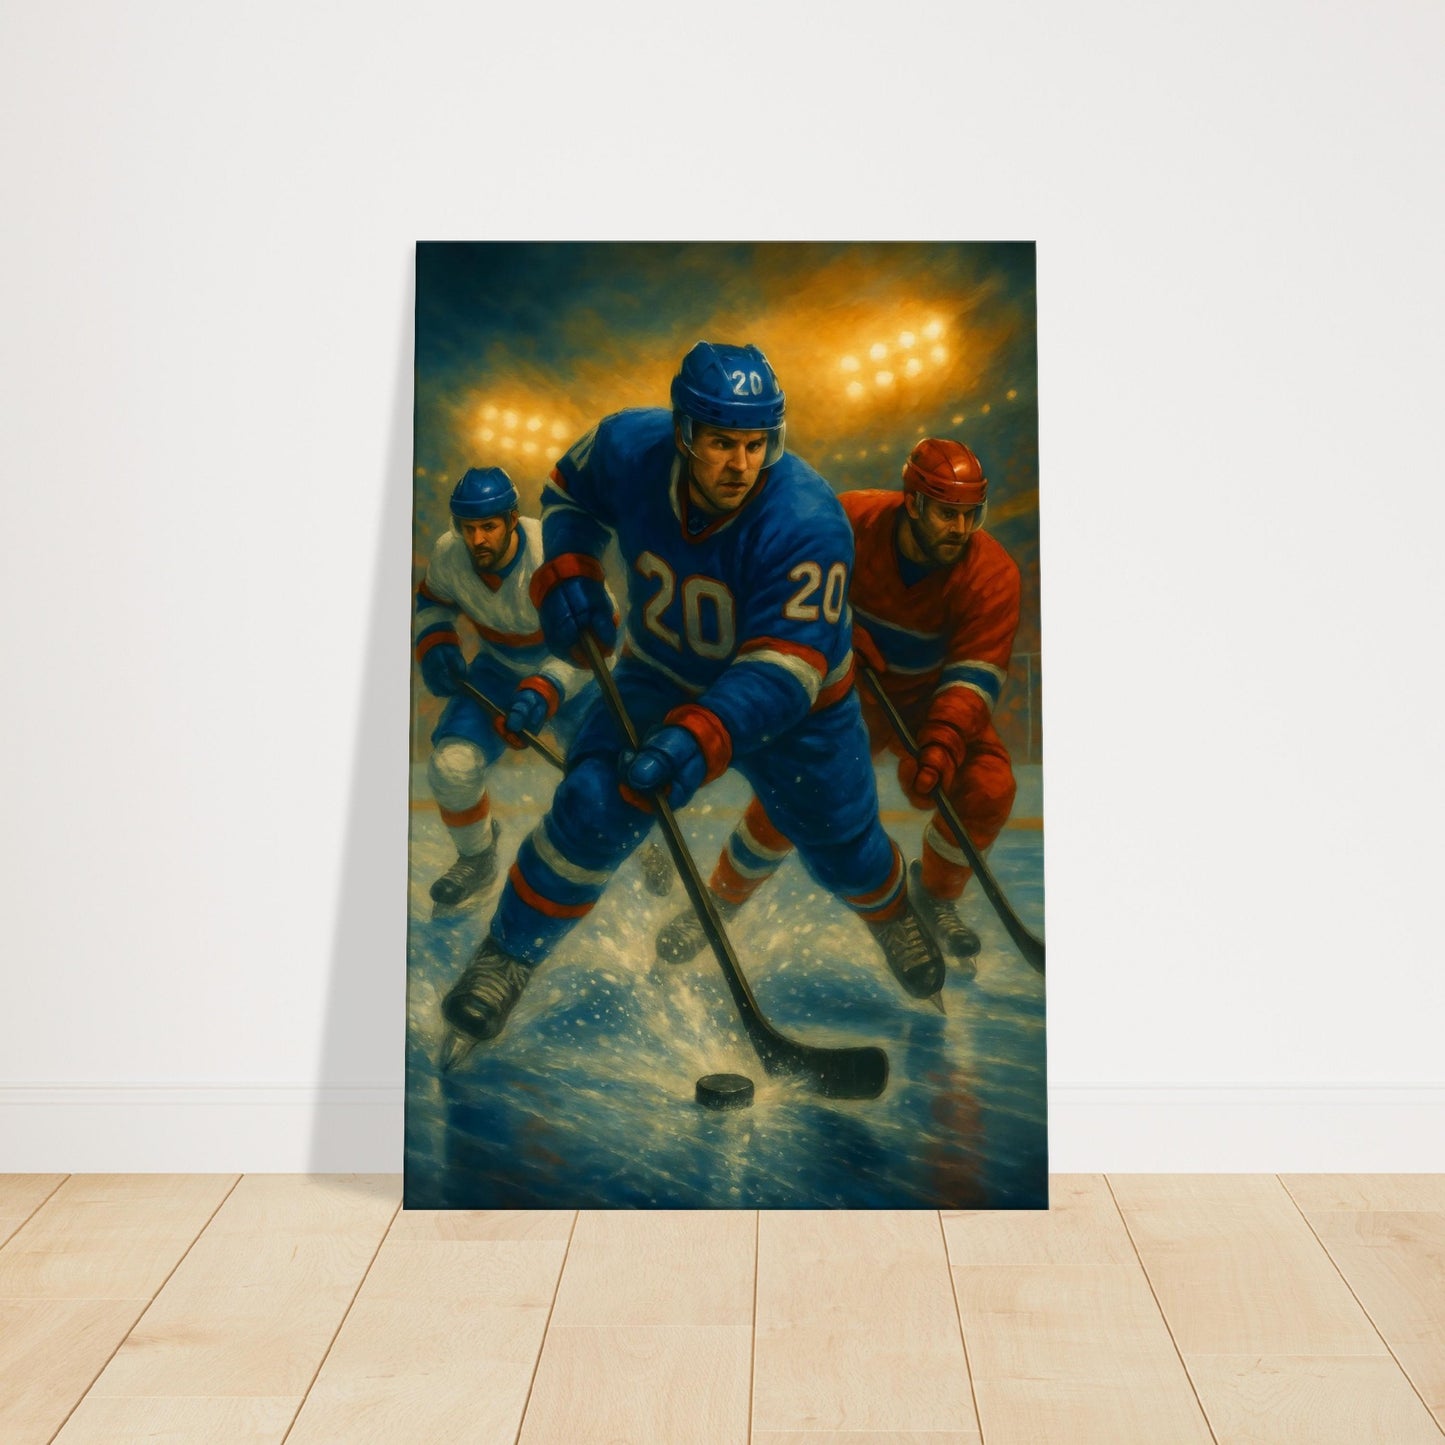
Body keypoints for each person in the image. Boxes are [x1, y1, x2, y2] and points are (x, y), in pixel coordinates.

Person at [439, 341, 945, 1045]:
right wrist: (573, 570)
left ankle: (893, 917)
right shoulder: (627, 444)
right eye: (720, 443)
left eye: (754, 443)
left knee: (844, 846)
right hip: (662, 672)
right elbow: (568, 493)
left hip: (799, 708)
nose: (740, 464)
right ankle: (505, 955)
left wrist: (693, 740)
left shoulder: (807, 518)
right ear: (683, 433)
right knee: (589, 806)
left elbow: (784, 670)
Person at [656, 437, 1020, 969]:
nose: (961, 529)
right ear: (913, 500)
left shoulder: (992, 573)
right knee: (798, 794)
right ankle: (720, 901)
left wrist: (942, 741)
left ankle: (935, 899)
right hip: (848, 688)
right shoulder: (847, 519)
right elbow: (782, 593)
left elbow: (973, 675)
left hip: (932, 701)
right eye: (948, 513)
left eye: (971, 515)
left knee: (990, 787)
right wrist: (837, 635)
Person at [414, 466, 595, 906]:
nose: (478, 540)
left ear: (513, 520)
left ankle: (644, 843)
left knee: (605, 780)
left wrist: (544, 689)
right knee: (452, 766)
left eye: (489, 526)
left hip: (571, 673)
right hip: (497, 670)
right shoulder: (449, 554)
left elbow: (594, 646)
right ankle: (476, 858)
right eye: (468, 528)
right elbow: (431, 605)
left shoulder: (552, 553)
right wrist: (435, 642)